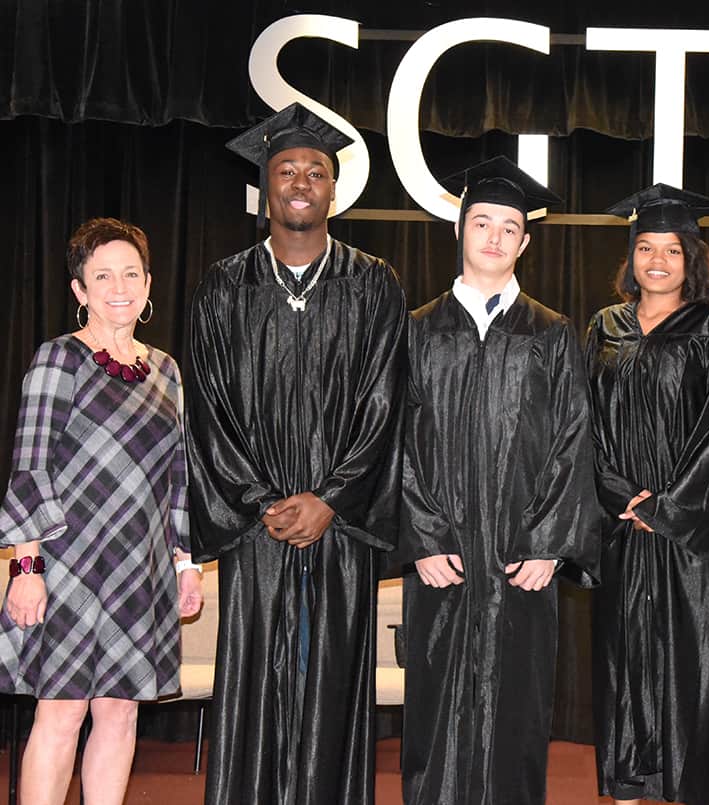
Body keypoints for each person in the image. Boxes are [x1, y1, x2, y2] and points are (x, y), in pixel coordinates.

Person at [186, 103, 407, 805]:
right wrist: (261, 503)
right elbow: (208, 410)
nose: (302, 180)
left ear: (334, 190)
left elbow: (386, 404)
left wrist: (332, 498)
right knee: (253, 686)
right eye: (287, 169)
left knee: (335, 686)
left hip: (339, 531)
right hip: (258, 533)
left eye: (317, 170)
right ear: (266, 187)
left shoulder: (374, 284)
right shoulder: (226, 288)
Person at [397, 156, 600, 805]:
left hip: (521, 561)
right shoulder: (419, 331)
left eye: (508, 227)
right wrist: (422, 536)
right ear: (460, 229)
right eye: (481, 221)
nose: (493, 236)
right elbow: (396, 438)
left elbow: (574, 439)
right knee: (436, 708)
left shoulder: (552, 334)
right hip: (444, 559)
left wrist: (550, 542)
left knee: (517, 709)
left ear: (525, 241)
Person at [0, 217, 202, 805]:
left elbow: (176, 477)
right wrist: (26, 568)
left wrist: (184, 563)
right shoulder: (57, 360)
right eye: (102, 275)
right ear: (80, 291)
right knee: (60, 716)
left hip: (139, 570)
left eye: (131, 274)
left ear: (148, 283)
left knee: (119, 714)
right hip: (67, 566)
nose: (119, 286)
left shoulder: (166, 370)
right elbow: (30, 467)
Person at [586, 184, 709, 805]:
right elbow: (586, 423)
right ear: (630, 257)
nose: (657, 260)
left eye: (672, 250)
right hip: (622, 528)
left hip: (688, 535)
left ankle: (684, 790)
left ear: (693, 261)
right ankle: (627, 789)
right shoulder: (605, 326)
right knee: (621, 665)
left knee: (689, 670)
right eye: (645, 248)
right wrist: (623, 499)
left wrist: (666, 506)